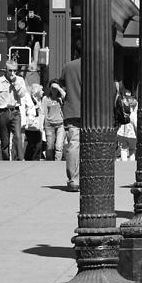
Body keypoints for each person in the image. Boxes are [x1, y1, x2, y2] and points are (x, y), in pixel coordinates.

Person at [0, 59, 30, 161]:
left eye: (15, 71)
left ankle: (20, 160)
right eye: (10, 70)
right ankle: (6, 161)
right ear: (5, 70)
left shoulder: (20, 80)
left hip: (15, 112)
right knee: (5, 141)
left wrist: (15, 83)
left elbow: (22, 94)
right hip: (3, 112)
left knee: (18, 137)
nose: (12, 73)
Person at [60, 47, 81, 190]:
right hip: (93, 112)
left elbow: (61, 83)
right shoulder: (97, 64)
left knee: (74, 144)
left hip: (73, 109)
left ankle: (74, 179)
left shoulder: (69, 66)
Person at [40, 81, 66, 161]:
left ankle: (57, 163)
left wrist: (59, 88)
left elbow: (67, 97)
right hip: (49, 125)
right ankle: (49, 163)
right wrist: (42, 125)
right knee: (49, 146)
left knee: (59, 146)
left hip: (61, 125)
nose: (54, 90)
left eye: (56, 88)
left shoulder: (61, 98)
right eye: (52, 88)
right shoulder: (46, 98)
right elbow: (43, 113)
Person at [23, 83, 45, 161]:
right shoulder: (31, 100)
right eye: (41, 90)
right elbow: (28, 110)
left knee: (36, 143)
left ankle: (33, 158)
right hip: (31, 126)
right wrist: (36, 107)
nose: (42, 92)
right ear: (37, 91)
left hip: (37, 126)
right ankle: (31, 158)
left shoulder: (40, 100)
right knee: (33, 143)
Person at [115, 87, 138, 161]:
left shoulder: (121, 107)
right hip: (132, 133)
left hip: (122, 132)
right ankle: (131, 165)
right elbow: (135, 123)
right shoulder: (133, 113)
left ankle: (124, 165)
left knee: (123, 149)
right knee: (132, 150)